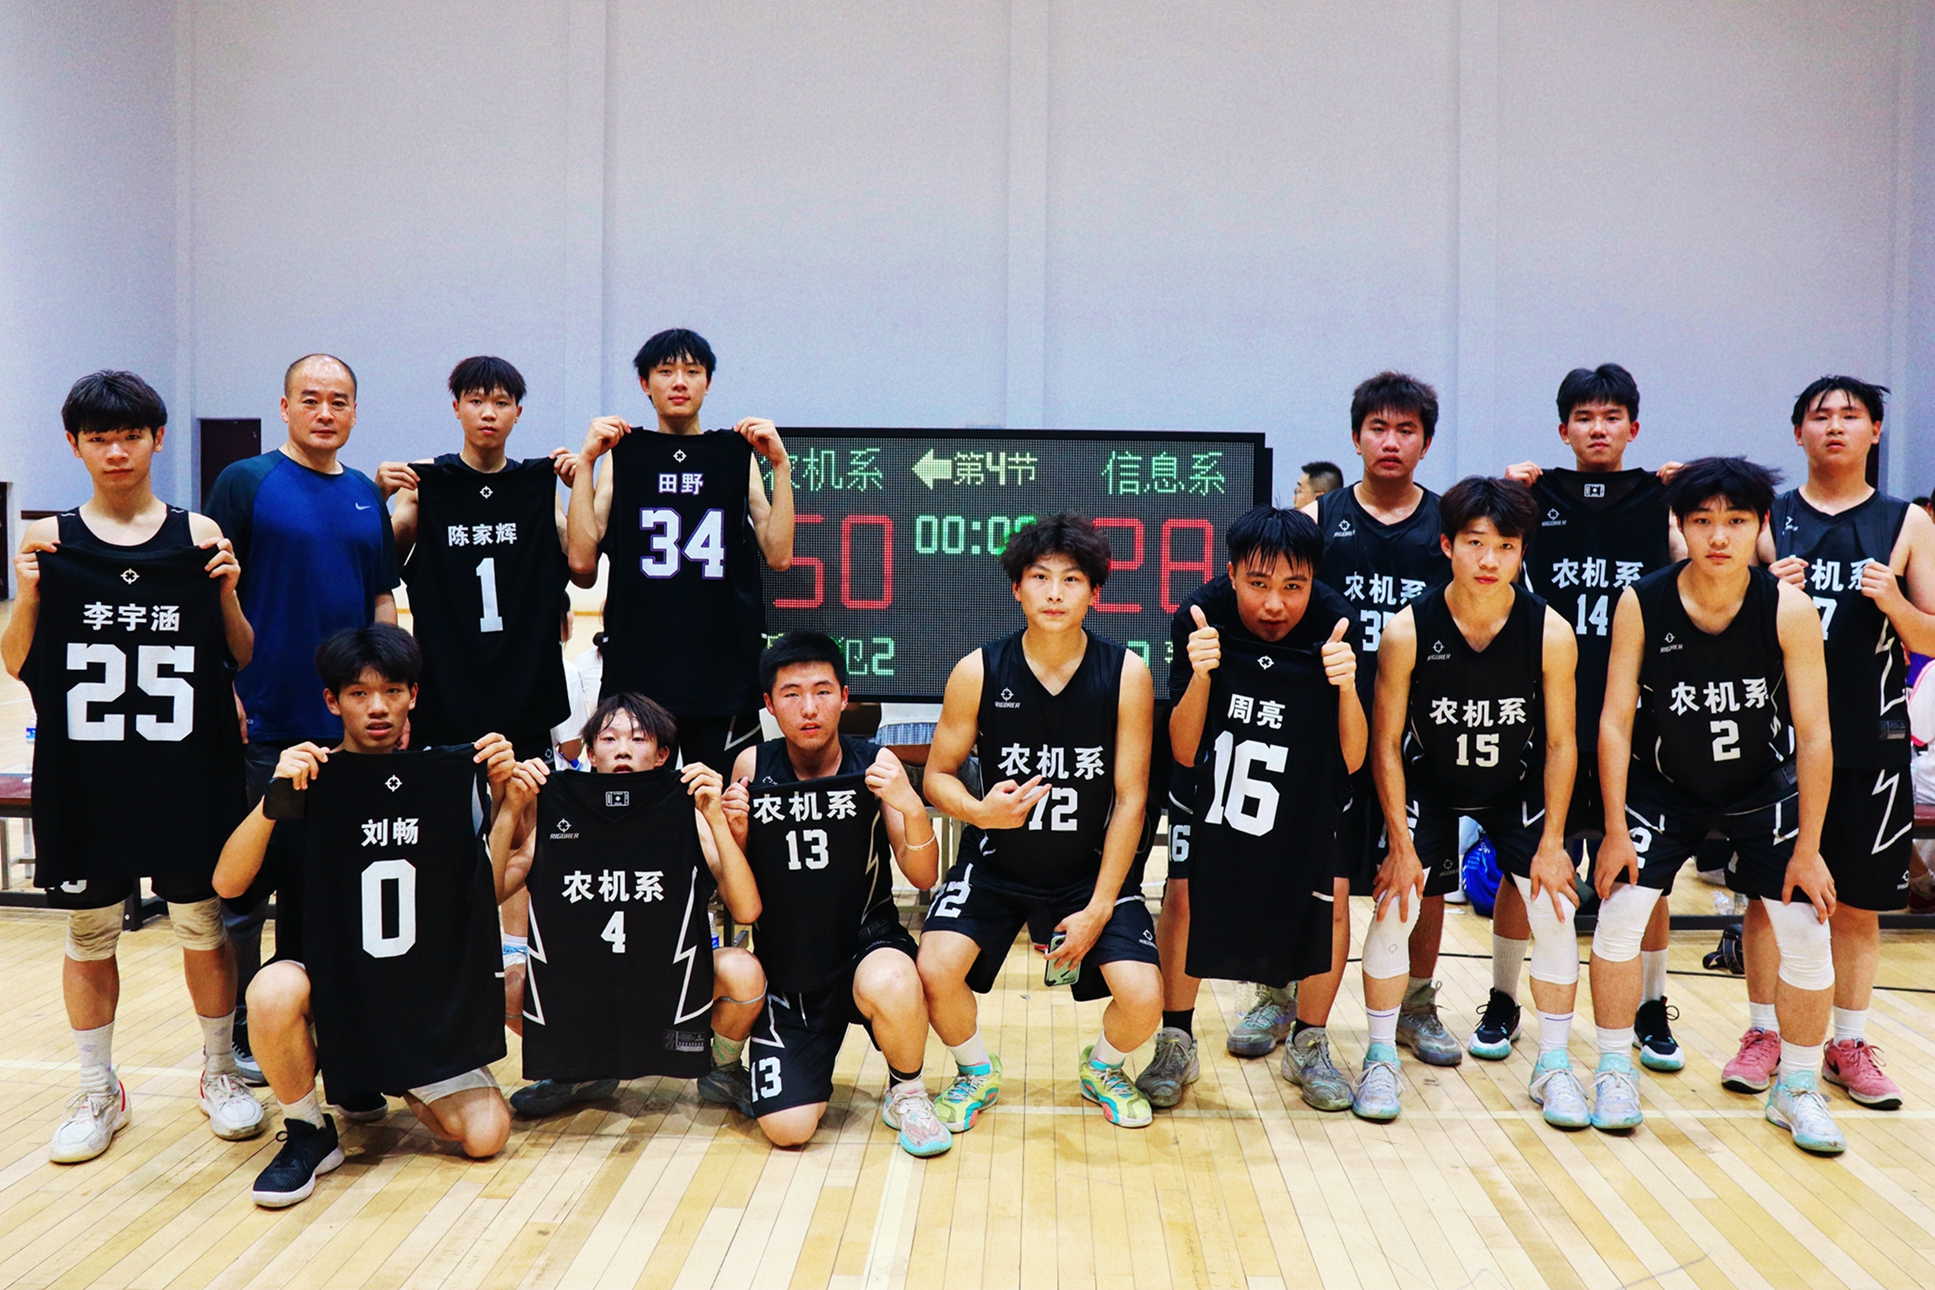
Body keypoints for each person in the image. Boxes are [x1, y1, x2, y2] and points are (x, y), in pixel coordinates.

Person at [1, 370, 263, 1162]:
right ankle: (97, 1088)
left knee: (200, 923)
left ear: (155, 439)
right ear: (75, 444)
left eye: (130, 436)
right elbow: (17, 662)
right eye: (99, 438)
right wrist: (28, 595)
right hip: (87, 773)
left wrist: (227, 592)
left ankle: (219, 1072)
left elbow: (239, 654)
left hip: (188, 769)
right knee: (89, 930)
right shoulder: (48, 540)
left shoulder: (197, 534)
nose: (116, 451)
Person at [213, 625, 517, 1206]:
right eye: (358, 693)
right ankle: (309, 1129)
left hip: (417, 1003)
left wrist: (506, 794)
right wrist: (274, 796)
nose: (377, 707)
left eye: (392, 691)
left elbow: (488, 886)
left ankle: (379, 1076)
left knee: (487, 1136)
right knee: (272, 990)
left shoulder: (445, 780)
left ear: (413, 697)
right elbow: (228, 884)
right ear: (332, 702)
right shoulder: (307, 781)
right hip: (333, 993)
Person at [1592, 457, 1842, 1151]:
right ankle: (1613, 1069)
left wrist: (1809, 847)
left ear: (1760, 525)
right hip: (1662, 788)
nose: (1719, 536)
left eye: (1735, 520)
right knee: (1619, 917)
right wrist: (1613, 828)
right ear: (1680, 526)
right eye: (1702, 521)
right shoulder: (1642, 600)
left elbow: (1815, 733)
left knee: (1806, 931)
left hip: (1759, 787)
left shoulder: (1787, 608)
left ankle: (1796, 1088)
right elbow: (1613, 721)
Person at [918, 513, 1160, 1129]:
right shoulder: (978, 670)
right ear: (1017, 589)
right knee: (934, 970)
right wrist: (978, 811)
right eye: (1040, 577)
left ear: (1094, 592)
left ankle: (1103, 1068)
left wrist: (1100, 908)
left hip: (1086, 873)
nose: (1055, 593)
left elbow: (1131, 800)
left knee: (1143, 998)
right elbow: (937, 776)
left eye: (1071, 579)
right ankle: (975, 1071)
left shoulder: (1127, 673)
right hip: (996, 867)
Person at [205, 353, 400, 1093]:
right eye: (310, 399)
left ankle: (333, 1018)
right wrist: (224, 688)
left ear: (354, 411)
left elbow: (380, 598)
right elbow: (208, 591)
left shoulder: (363, 495)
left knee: (334, 885)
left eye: (339, 400)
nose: (325, 412)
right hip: (268, 722)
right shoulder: (246, 482)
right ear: (284, 407)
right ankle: (239, 1034)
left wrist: (388, 696)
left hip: (347, 732)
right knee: (248, 895)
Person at [1739, 377, 1935, 1109]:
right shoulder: (1767, 517)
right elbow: (1720, 623)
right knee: (1767, 897)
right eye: (1819, 417)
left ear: (1875, 431)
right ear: (1798, 433)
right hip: (1775, 741)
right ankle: (1762, 1032)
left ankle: (1847, 1043)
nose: (1834, 427)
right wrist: (1763, 589)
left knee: (1857, 903)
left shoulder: (1906, 521)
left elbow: (1932, 634)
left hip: (1869, 738)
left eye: (1850, 416)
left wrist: (1893, 601)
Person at [1369, 478, 1582, 1124]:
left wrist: (1552, 844)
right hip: (1429, 784)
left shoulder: (1549, 631)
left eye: (1505, 546)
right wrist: (1399, 845)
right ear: (1447, 545)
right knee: (1396, 902)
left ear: (1522, 553)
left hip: (1514, 785)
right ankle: (1379, 1056)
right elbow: (1385, 744)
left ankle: (1553, 1064)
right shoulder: (1407, 631)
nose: (1489, 560)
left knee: (1554, 906)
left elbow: (1560, 743)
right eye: (1475, 543)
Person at [1490, 364, 1685, 1070]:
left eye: (1610, 417)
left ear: (1633, 428)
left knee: (1643, 872)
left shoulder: (1663, 502)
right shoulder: (1530, 500)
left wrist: (1685, 504)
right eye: (1584, 417)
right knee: (1527, 865)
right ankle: (1502, 997)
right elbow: (1486, 554)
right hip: (1545, 715)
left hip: (1634, 716)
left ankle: (1650, 1004)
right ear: (1562, 429)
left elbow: (1704, 563)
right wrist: (1508, 494)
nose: (1597, 429)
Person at [1151, 506, 1364, 1110]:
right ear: (1232, 574)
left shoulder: (1335, 621)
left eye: (1294, 586)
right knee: (1183, 895)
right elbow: (1183, 749)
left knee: (1331, 902)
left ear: (1313, 580)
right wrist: (1200, 677)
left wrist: (1348, 686)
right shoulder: (1199, 614)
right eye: (1258, 584)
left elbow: (1353, 758)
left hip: (1306, 778)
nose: (1275, 604)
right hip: (1215, 773)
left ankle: (1309, 1041)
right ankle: (1175, 1040)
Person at [715, 631, 950, 1156]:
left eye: (822, 691)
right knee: (788, 1130)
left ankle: (907, 1091)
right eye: (792, 694)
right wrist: (737, 835)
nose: (809, 708)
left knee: (893, 979)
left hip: (867, 946)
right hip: (789, 965)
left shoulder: (875, 761)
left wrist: (910, 804)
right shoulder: (752, 766)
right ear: (769, 704)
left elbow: (923, 875)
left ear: (845, 697)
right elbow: (741, 901)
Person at [489, 692, 769, 1119]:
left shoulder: (690, 810)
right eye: (609, 738)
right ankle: (579, 1071)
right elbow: (487, 895)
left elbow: (746, 910)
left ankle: (722, 1068)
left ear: (662, 755)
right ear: (590, 753)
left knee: (743, 972)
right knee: (508, 987)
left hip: (665, 981)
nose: (622, 749)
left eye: (638, 739)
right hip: (584, 984)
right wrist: (509, 808)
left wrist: (716, 817)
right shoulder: (553, 807)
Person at [1287, 372, 1459, 1067]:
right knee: (1303, 872)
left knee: (1426, 877)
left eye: (1406, 430)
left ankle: (1415, 1003)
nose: (1391, 442)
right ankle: (1280, 992)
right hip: (1325, 730)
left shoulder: (1450, 526)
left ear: (1425, 443)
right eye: (1378, 428)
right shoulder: (1314, 521)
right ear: (1355, 437)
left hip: (1422, 734)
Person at [565, 329, 794, 774]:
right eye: (666, 371)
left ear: (708, 382)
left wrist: (780, 466)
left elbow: (779, 554)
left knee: (728, 803)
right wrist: (587, 461)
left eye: (692, 371)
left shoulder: (736, 454)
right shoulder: (621, 455)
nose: (679, 382)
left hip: (722, 672)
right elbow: (581, 560)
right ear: (644, 383)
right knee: (636, 805)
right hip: (640, 672)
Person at [380, 355, 581, 759]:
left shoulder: (541, 489)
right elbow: (381, 566)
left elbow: (581, 565)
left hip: (525, 690)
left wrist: (583, 486)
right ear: (456, 408)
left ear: (518, 412)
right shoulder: (423, 485)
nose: (489, 413)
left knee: (526, 798)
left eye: (501, 403)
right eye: (476, 401)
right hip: (445, 690)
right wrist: (378, 496)